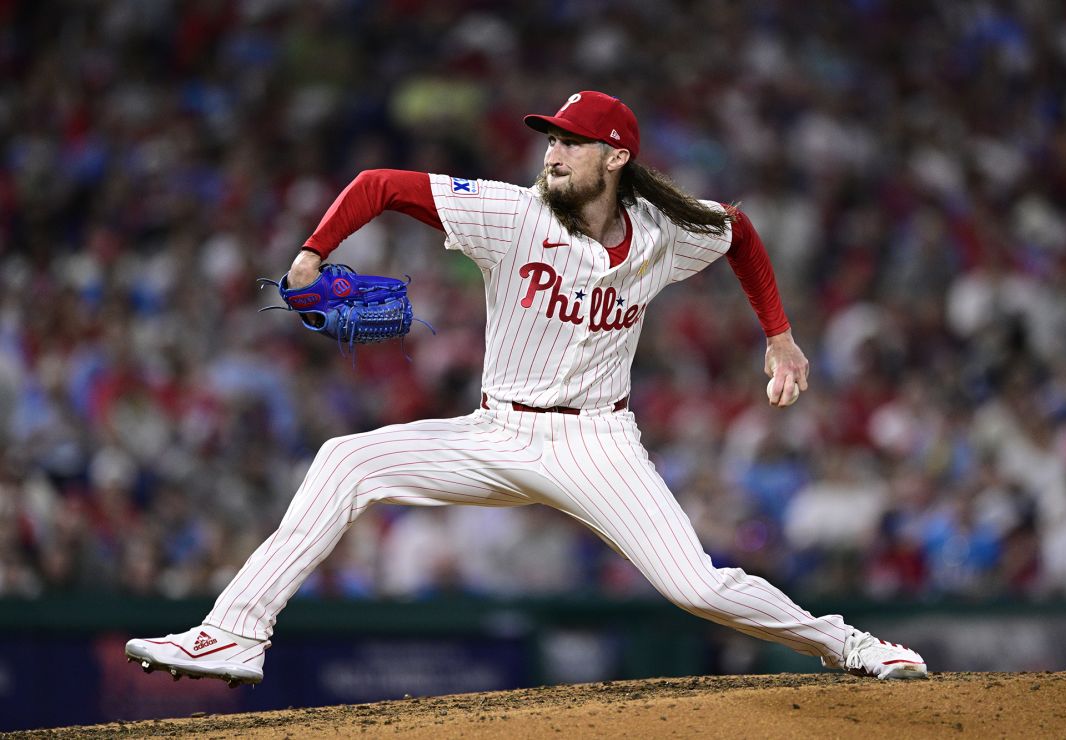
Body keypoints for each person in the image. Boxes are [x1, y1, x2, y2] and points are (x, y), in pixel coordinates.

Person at [125, 91, 926, 685]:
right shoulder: (512, 214)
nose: (552, 153)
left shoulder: (666, 231)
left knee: (697, 586)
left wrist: (779, 336)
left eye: (571, 143)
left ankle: (844, 643)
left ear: (615, 158)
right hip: (496, 434)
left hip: (597, 445)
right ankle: (234, 632)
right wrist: (311, 254)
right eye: (550, 139)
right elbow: (378, 183)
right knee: (345, 459)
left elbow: (741, 233)